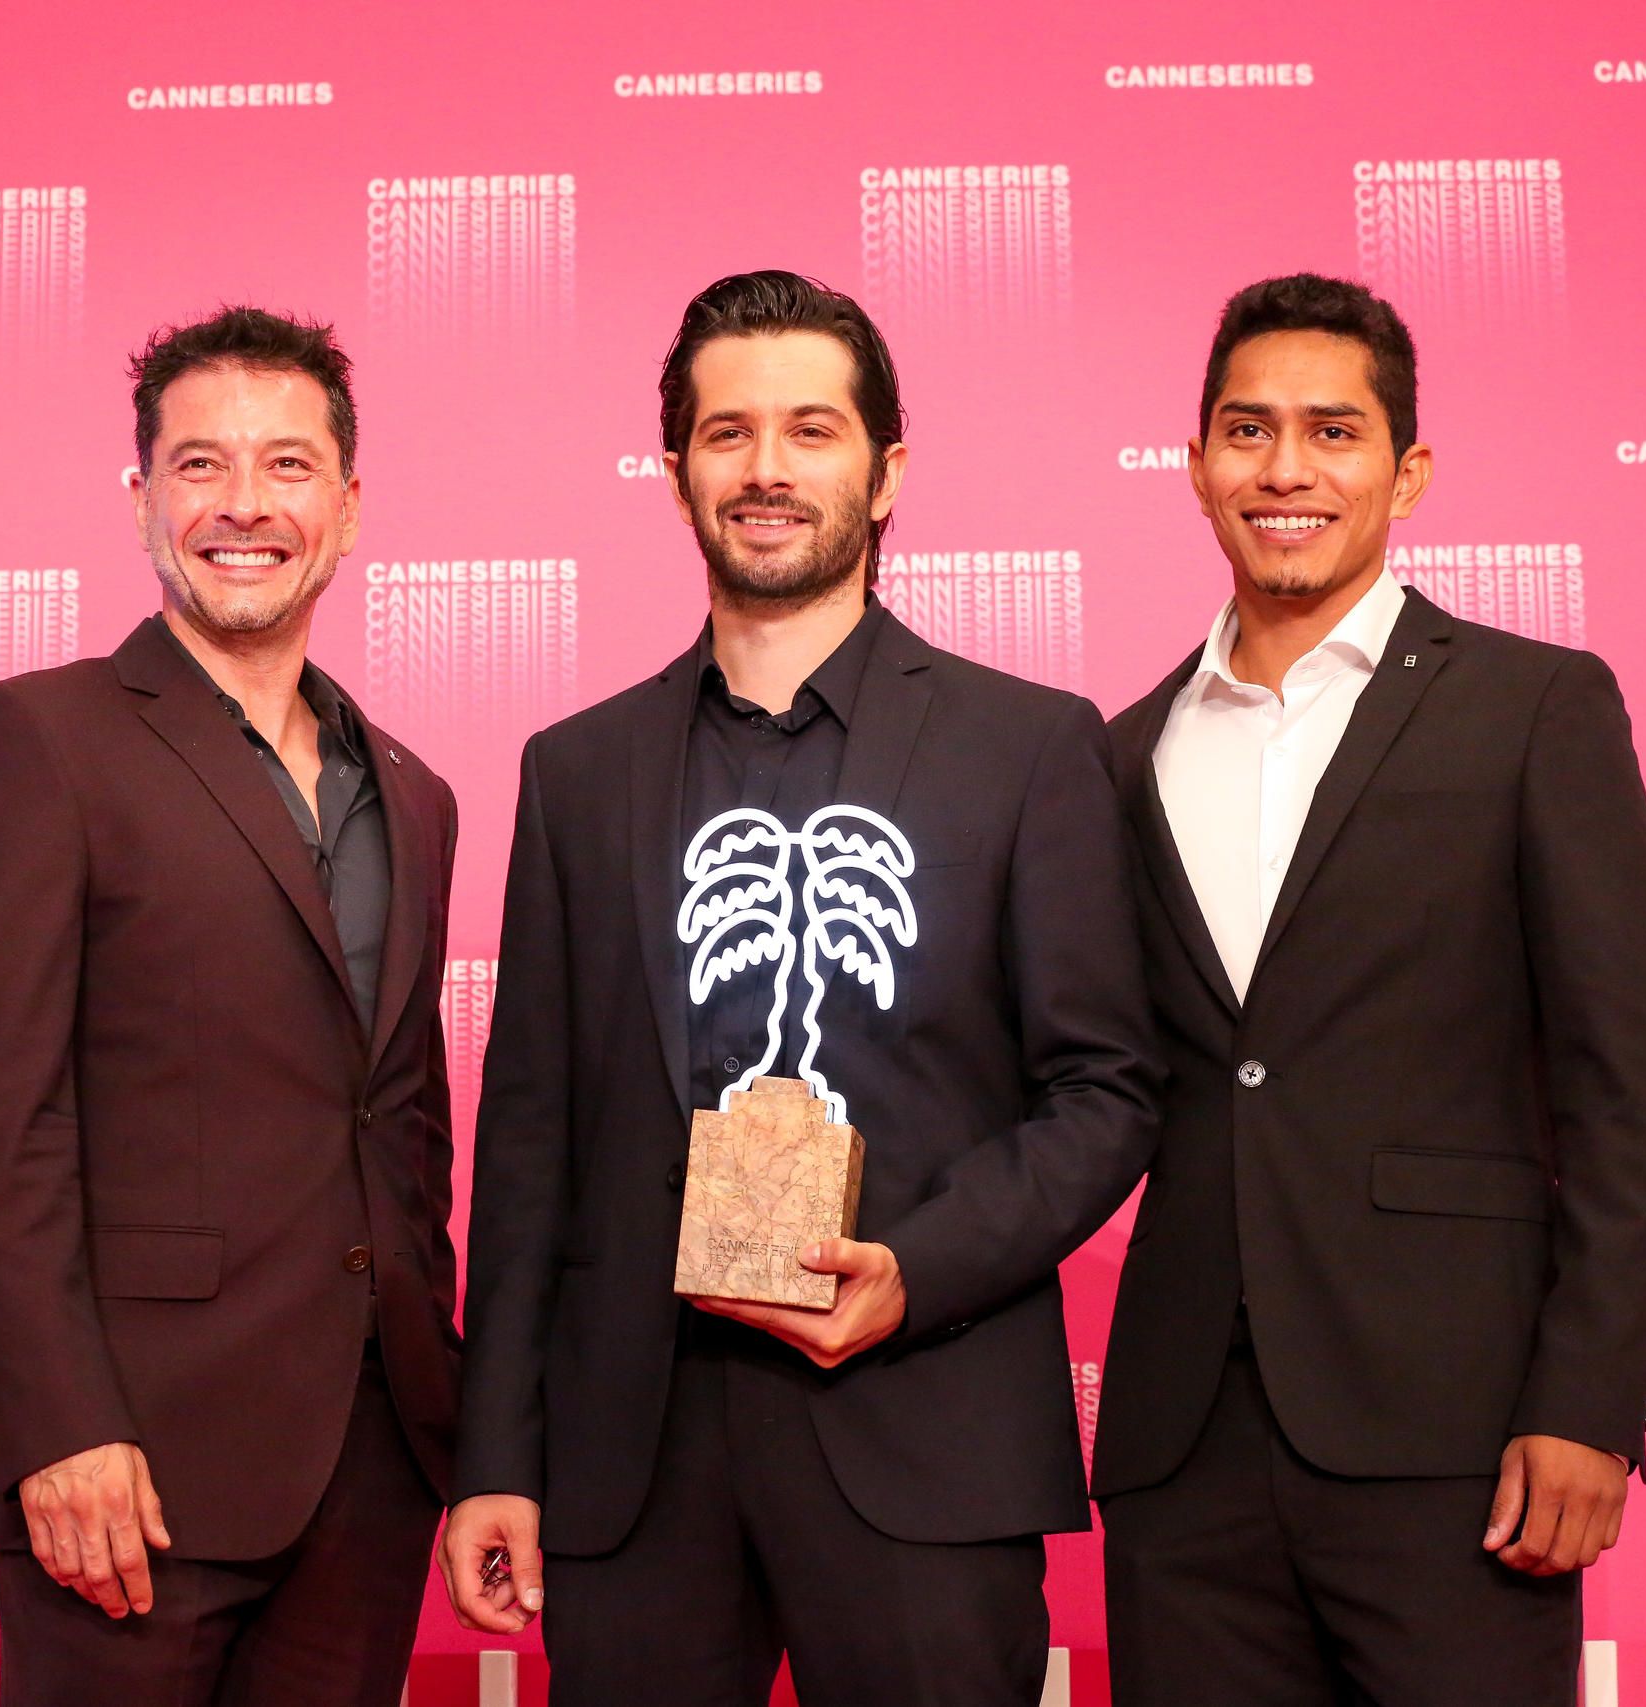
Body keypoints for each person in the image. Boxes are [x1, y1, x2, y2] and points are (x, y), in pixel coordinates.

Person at [442, 270, 1161, 1707]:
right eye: (729, 433)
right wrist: (497, 1459)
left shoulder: (1028, 748)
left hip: (923, 1429)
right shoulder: (577, 772)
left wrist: (916, 1274)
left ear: (886, 473)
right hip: (631, 1459)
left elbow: (1108, 1093)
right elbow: (528, 1143)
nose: (766, 469)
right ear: (677, 472)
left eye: (811, 431)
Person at [1092, 273, 1646, 1705]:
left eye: (1333, 431)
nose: (1285, 469)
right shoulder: (1117, 753)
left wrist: (1589, 1404)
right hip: (1183, 1448)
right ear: (1196, 466)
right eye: (1248, 431)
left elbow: (1622, 1088)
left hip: (1459, 1435)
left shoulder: (1535, 707)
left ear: (1406, 472)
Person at [0, 307, 462, 1706]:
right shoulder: (37, 740)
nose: (244, 505)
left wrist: (448, 1421)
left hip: (371, 1471)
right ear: (141, 498)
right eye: (201, 464)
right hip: (131, 1468)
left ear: (348, 508)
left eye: (288, 465)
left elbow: (402, 1127)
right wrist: (57, 1427)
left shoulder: (414, 791)